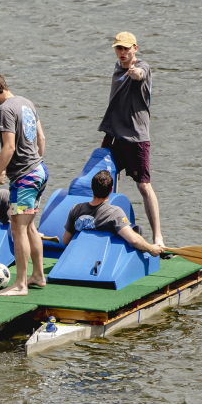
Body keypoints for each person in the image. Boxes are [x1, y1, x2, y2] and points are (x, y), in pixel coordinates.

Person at [0, 68, 48, 296]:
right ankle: (38, 275)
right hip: (40, 171)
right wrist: (34, 163)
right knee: (30, 227)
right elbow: (41, 139)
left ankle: (21, 284)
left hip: (26, 177)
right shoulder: (27, 102)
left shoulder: (5, 110)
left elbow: (8, 148)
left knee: (18, 229)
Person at [98, 31, 163, 248]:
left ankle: (158, 238)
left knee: (143, 186)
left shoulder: (142, 67)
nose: (123, 52)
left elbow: (139, 75)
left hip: (136, 138)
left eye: (127, 48)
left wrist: (134, 71)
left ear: (135, 48)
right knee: (105, 181)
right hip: (113, 135)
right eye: (119, 48)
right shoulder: (117, 68)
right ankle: (108, 226)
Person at [62, 170, 163, 256]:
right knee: (135, 232)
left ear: (92, 187)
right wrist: (151, 248)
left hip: (80, 255)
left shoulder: (76, 209)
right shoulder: (114, 213)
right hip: (102, 259)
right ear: (111, 189)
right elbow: (133, 240)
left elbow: (66, 240)